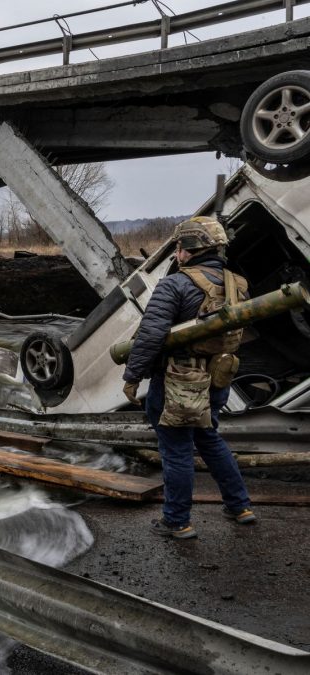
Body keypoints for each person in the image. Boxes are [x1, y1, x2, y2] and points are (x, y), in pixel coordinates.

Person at [122, 216, 255, 540]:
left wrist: (132, 375)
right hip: (217, 378)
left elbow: (151, 336)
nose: (176, 252)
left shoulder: (175, 285)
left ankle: (177, 521)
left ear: (190, 249)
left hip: (177, 380)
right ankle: (240, 507)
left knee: (176, 448)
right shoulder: (238, 283)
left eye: (179, 246)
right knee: (209, 438)